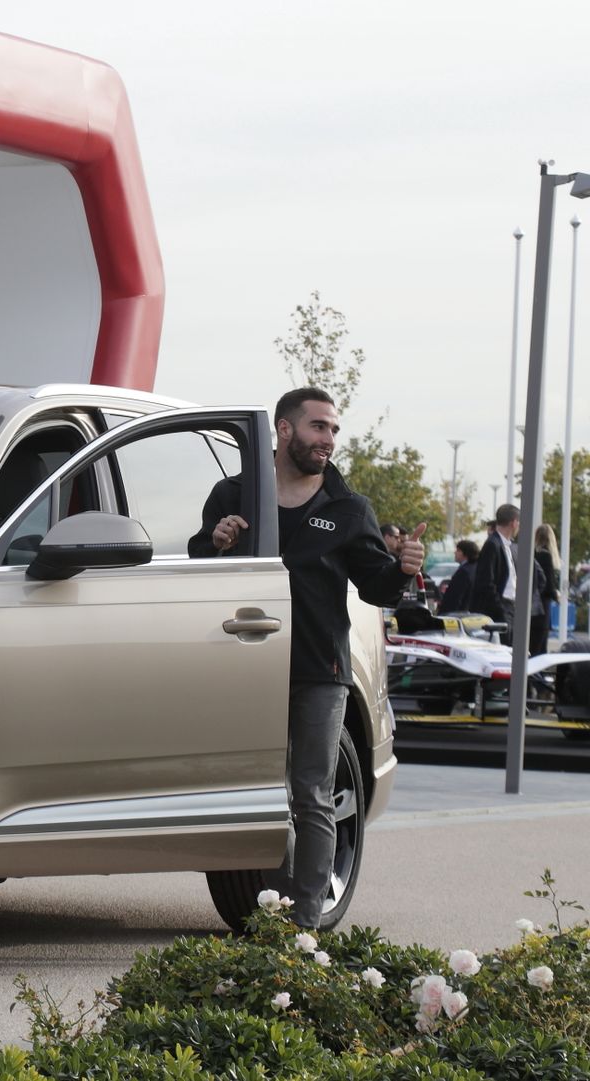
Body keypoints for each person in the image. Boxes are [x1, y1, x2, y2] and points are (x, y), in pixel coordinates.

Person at [189, 387, 417, 929]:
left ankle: (304, 925)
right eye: (319, 427)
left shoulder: (348, 509)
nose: (328, 440)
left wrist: (403, 568)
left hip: (320, 670)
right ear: (284, 429)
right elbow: (198, 563)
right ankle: (272, 903)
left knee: (311, 793)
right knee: (250, 788)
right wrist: (215, 542)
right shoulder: (233, 495)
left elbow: (378, 588)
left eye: (334, 430)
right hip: (244, 666)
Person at [472, 504, 521, 642]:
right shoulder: (492, 545)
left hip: (510, 607)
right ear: (514, 523)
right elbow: (486, 581)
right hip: (500, 608)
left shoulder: (510, 545)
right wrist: (499, 607)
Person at [530, 523, 562, 655]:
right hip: (543, 606)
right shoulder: (547, 556)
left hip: (531, 605)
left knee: (532, 645)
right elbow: (549, 586)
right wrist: (557, 595)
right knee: (540, 648)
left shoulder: (532, 554)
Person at [437, 539, 480, 615]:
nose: (455, 552)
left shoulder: (464, 572)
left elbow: (454, 598)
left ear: (466, 553)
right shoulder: (476, 568)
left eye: (458, 550)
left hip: (458, 616)